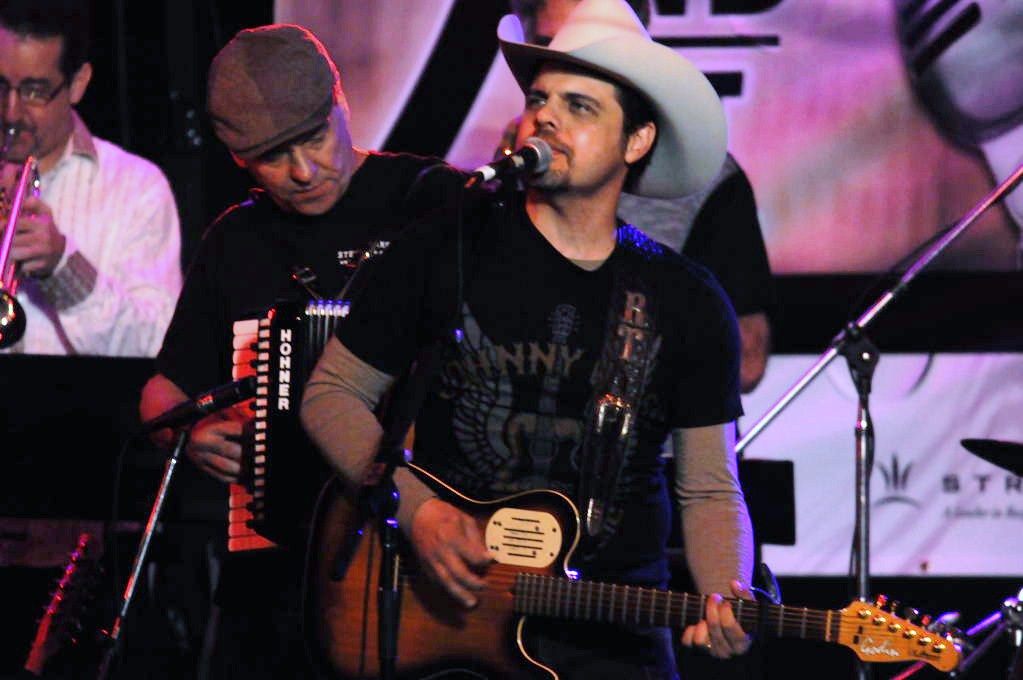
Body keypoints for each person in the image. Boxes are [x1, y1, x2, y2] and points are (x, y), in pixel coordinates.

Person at [301, 0, 754, 678]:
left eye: (579, 106)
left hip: (616, 641)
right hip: (452, 625)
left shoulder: (685, 300)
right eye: (539, 99)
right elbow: (332, 396)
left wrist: (726, 592)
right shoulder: (446, 246)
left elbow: (710, 487)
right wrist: (419, 513)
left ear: (635, 142)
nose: (545, 117)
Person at [138, 23, 461, 679]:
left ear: (341, 102)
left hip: (422, 561)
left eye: (314, 138)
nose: (303, 171)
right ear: (238, 160)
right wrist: (189, 433)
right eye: (272, 157)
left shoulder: (431, 201)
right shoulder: (236, 241)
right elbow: (163, 390)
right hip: (276, 574)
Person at [498, 0, 775, 394]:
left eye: (592, 53)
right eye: (549, 46)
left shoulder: (712, 189)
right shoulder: (506, 164)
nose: (549, 113)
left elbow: (746, 361)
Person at [0, 0, 181, 356]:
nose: (11, 112)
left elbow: (157, 344)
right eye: (1, 86)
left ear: (77, 83)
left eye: (35, 91)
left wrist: (64, 268)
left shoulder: (137, 187)